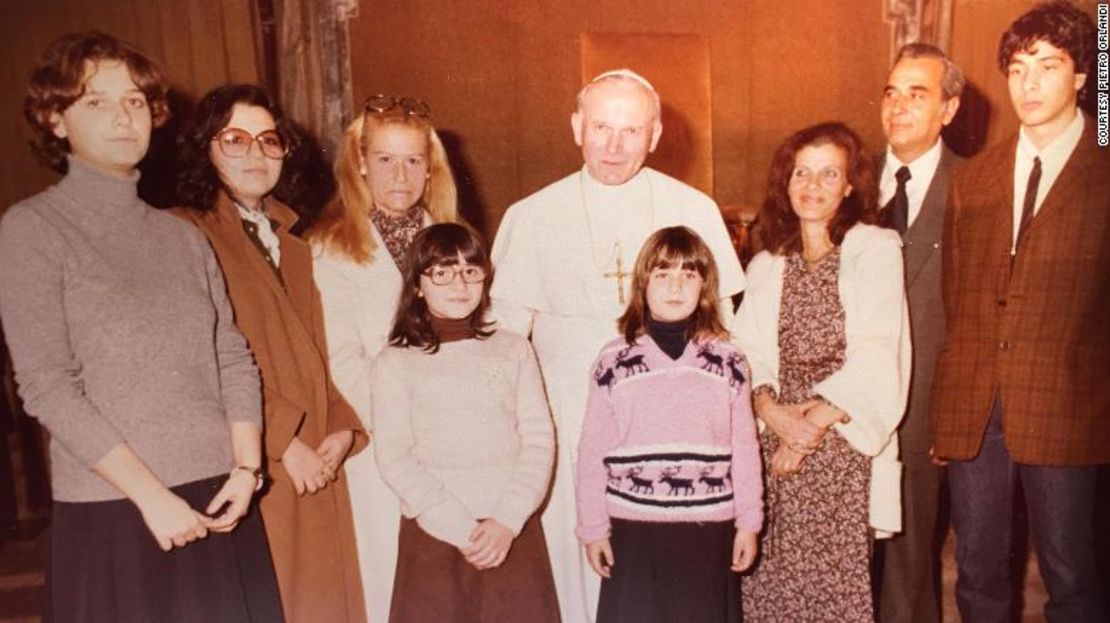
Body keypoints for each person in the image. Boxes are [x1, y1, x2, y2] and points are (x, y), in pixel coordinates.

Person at [0, 31, 283, 620]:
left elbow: (230, 353)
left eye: (133, 101)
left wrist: (247, 469)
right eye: (95, 102)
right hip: (118, 511)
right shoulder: (33, 230)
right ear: (55, 120)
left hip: (218, 497)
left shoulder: (182, 235)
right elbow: (47, 385)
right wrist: (151, 497)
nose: (123, 118)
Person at [489, 68, 744, 622]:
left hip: (667, 435)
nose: (613, 145)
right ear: (577, 127)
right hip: (565, 422)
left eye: (631, 131)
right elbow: (505, 346)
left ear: (654, 136)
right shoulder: (531, 216)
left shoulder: (693, 209)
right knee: (574, 570)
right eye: (601, 127)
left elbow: (719, 334)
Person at [931, 3, 1109, 621]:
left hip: (1069, 407)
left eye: (1048, 66)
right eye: (1017, 67)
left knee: (1073, 578)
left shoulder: (1104, 171)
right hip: (976, 410)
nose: (1028, 84)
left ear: (1082, 75)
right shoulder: (973, 181)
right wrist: (947, 409)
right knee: (977, 575)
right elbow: (958, 303)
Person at [174, 84, 368, 622]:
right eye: (236, 139)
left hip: (315, 453)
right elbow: (200, 360)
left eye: (269, 140)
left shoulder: (294, 239)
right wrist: (284, 442)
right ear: (205, 147)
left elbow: (318, 350)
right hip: (249, 457)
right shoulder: (185, 233)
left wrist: (342, 429)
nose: (256, 155)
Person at [732, 122, 910, 622]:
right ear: (785, 184)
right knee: (769, 587)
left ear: (850, 185)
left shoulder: (874, 249)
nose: (811, 185)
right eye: (801, 173)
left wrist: (808, 427)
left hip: (840, 442)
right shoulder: (767, 264)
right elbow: (748, 351)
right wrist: (771, 411)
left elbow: (880, 350)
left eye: (828, 174)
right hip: (773, 438)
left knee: (833, 593)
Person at [305, 94, 458, 622]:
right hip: (382, 441)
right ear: (361, 163)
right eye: (387, 159)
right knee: (388, 581)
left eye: (414, 160)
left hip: (454, 440)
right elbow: (341, 355)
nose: (401, 173)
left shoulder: (448, 240)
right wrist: (400, 427)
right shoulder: (330, 245)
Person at [370, 222, 559, 622]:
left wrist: (507, 519)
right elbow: (395, 457)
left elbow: (539, 440)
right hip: (437, 537)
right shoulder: (395, 362)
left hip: (511, 533)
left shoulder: (513, 348)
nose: (460, 284)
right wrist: (460, 529)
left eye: (470, 271)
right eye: (442, 272)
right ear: (418, 284)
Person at [575, 226, 761, 623]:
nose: (675, 287)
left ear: (705, 286)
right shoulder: (613, 361)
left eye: (688, 275)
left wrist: (749, 523)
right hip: (633, 532)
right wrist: (592, 529)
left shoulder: (729, 361)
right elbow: (592, 452)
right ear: (642, 283)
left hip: (707, 530)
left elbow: (745, 449)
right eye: (663, 275)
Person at [875, 43, 964, 623]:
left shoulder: (976, 189)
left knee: (909, 571)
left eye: (917, 93)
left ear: (949, 109)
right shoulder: (845, 181)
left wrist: (952, 416)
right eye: (891, 92)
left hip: (923, 413)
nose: (898, 106)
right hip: (840, 411)